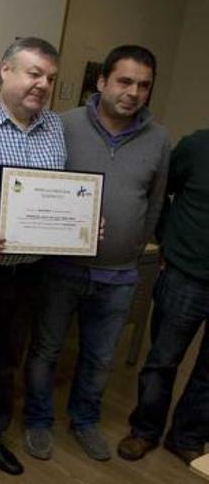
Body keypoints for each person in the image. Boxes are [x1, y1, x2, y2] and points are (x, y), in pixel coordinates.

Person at [22, 45, 170, 462]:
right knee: (45, 350)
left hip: (119, 274)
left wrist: (130, 247)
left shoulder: (159, 139)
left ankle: (85, 421)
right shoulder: (60, 125)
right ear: (102, 82)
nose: (133, 92)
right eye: (124, 81)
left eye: (143, 85)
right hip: (60, 268)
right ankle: (38, 419)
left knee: (100, 358)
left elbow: (155, 205)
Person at [0, 37, 66, 476]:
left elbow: (59, 197)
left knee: (3, 359)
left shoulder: (56, 127)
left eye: (51, 78)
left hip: (27, 272)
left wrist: (79, 225)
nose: (42, 84)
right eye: (34, 73)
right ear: (5, 71)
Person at [118, 127, 209, 466]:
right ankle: (144, 431)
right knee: (162, 360)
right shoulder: (197, 145)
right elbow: (161, 193)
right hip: (186, 274)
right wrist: (168, 239)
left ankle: (187, 436)